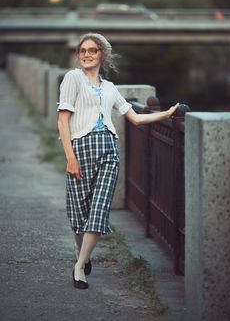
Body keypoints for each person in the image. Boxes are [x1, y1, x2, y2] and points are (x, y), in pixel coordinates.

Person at [57, 32, 179, 290]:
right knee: (79, 213)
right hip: (80, 149)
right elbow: (63, 120)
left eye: (92, 50)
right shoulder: (73, 78)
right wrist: (70, 158)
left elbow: (134, 117)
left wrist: (166, 113)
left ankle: (80, 266)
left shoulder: (110, 88)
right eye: (83, 51)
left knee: (99, 210)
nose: (87, 54)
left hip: (108, 150)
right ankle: (82, 251)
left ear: (102, 54)